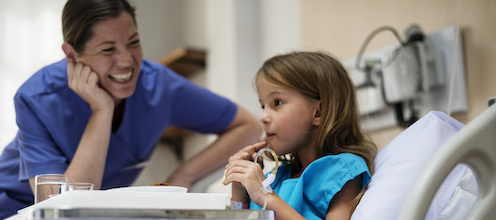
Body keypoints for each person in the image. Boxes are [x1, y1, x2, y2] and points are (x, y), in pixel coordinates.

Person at [0, 0, 262, 218]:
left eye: (133, 42)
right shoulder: (36, 97)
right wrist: (101, 111)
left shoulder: (158, 85)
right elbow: (58, 209)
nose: (127, 60)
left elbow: (247, 126)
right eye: (107, 49)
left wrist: (184, 175)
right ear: (71, 55)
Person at [223, 51, 377, 220]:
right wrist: (240, 189)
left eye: (277, 103)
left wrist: (266, 196)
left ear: (318, 112)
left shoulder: (342, 171)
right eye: (263, 106)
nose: (263, 117)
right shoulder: (276, 178)